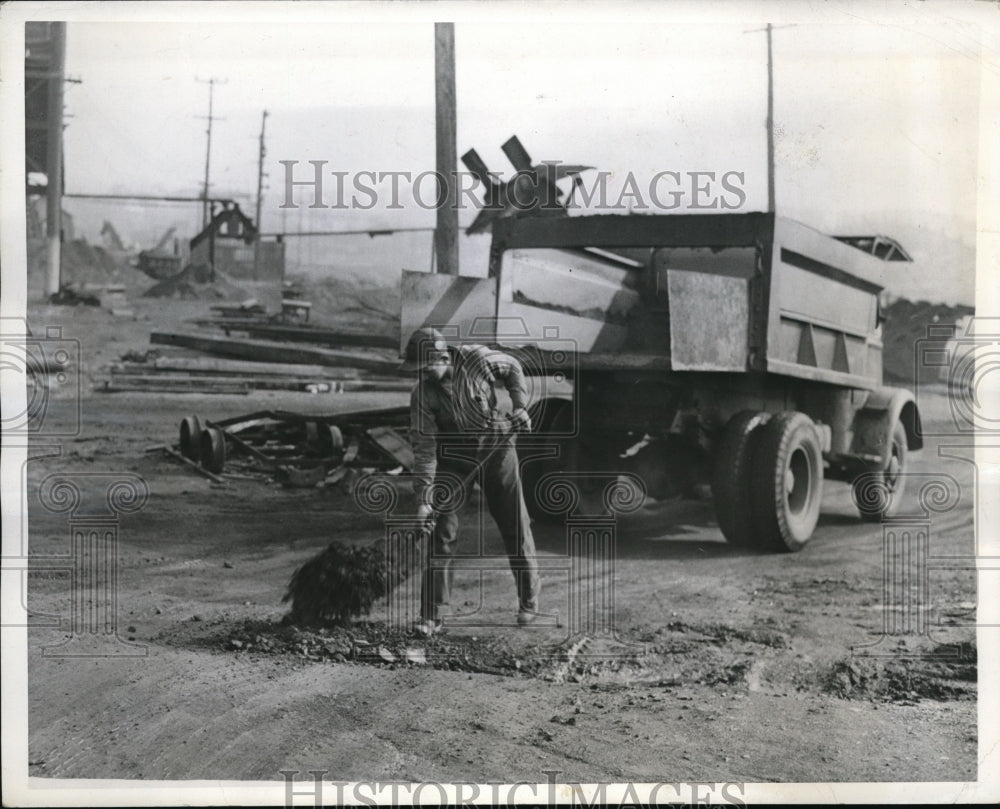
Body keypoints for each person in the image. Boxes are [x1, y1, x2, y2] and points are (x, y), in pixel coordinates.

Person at [402, 326, 541, 637]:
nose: (423, 374)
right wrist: (424, 501)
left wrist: (520, 405)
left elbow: (514, 368)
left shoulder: (477, 359)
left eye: (426, 367)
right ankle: (432, 615)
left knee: (515, 525)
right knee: (443, 532)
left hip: (497, 449)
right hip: (454, 461)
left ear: (441, 356)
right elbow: (424, 448)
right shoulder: (422, 394)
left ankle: (529, 601)